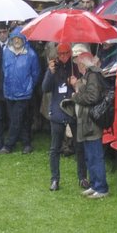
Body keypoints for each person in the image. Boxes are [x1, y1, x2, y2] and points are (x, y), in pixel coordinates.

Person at [66, 45, 108, 198]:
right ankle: (94, 184)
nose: (77, 65)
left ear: (83, 64)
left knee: (95, 155)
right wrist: (77, 86)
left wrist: (75, 97)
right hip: (86, 122)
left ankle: (101, 188)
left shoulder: (92, 76)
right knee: (90, 155)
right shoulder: (88, 76)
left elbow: (92, 97)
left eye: (78, 63)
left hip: (91, 122)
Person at [1, 33, 41, 155]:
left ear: (24, 40)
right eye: (15, 39)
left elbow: (35, 73)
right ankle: (27, 144)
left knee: (15, 119)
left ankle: (8, 145)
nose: (17, 41)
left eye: (19, 39)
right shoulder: (6, 52)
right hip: (9, 92)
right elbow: (4, 69)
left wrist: (28, 86)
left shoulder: (31, 54)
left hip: (23, 93)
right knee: (21, 119)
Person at [41, 46, 75, 190]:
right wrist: (50, 72)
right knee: (55, 149)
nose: (63, 56)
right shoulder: (53, 67)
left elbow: (81, 89)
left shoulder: (75, 67)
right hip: (57, 114)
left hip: (73, 113)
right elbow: (45, 88)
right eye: (61, 54)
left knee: (79, 147)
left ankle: (83, 177)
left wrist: (75, 84)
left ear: (71, 53)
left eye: (66, 53)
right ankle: (55, 179)